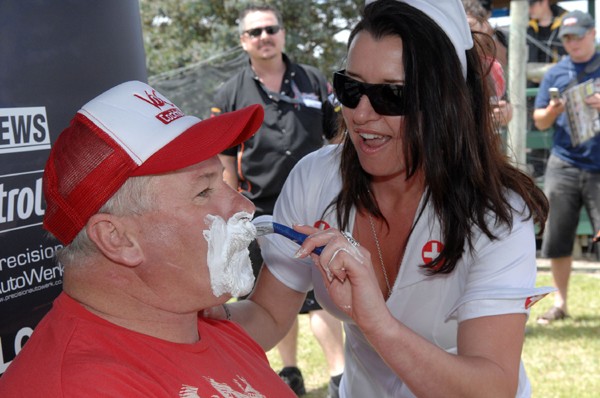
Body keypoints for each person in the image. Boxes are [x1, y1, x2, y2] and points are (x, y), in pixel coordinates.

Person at [210, 0, 555, 396]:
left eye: (392, 96)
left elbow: (491, 387)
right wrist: (192, 317)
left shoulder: (496, 212)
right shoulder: (316, 178)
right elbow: (267, 315)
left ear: (445, 101)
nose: (360, 113)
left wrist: (376, 322)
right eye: (350, 88)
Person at [0, 81, 296, 397]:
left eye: (222, 181)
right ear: (117, 239)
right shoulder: (81, 387)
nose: (245, 206)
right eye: (204, 191)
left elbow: (268, 318)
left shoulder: (197, 328)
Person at [210, 4, 344, 396]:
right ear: (243, 41)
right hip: (257, 213)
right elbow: (223, 158)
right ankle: (290, 373)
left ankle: (339, 376)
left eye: (271, 29)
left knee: (320, 295)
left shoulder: (315, 80)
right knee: (270, 295)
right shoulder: (230, 92)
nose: (264, 37)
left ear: (283, 33)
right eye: (255, 32)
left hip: (314, 207)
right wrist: (231, 208)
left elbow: (337, 137)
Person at [532, 10, 600, 324]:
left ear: (593, 33)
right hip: (565, 162)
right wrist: (552, 110)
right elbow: (540, 121)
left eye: (578, 35)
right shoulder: (556, 73)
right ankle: (560, 304)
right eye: (567, 38)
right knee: (557, 236)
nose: (572, 42)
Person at [527, 0, 568, 66]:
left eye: (532, 5)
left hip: (558, 74)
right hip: (531, 74)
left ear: (544, 1)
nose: (529, 9)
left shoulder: (566, 23)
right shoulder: (525, 27)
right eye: (526, 6)